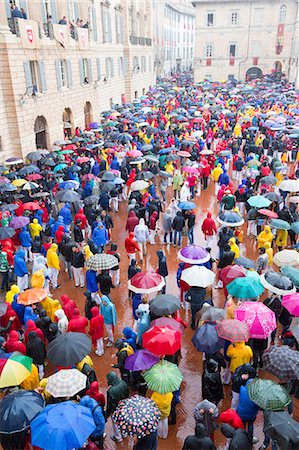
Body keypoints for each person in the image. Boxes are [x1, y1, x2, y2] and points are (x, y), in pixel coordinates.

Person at [106, 371, 129, 443]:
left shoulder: (111, 391)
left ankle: (118, 437)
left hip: (115, 409)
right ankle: (124, 433)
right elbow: (127, 393)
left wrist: (108, 412)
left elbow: (110, 403)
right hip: (124, 406)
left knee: (116, 423)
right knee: (124, 420)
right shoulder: (123, 383)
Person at [236, 379, 259, 444]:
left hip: (241, 413)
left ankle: (242, 439)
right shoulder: (255, 396)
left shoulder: (242, 389)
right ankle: (250, 439)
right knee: (250, 426)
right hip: (251, 415)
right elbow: (258, 406)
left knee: (242, 426)